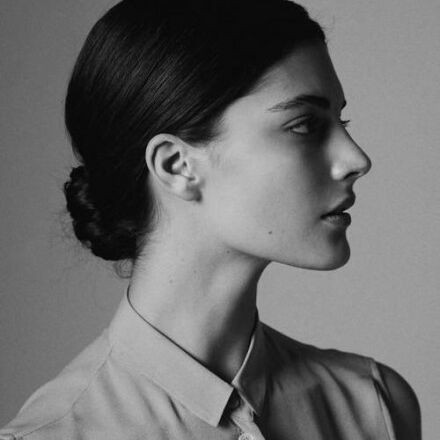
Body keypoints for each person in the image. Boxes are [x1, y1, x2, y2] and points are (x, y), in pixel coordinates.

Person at [0, 0, 421, 439]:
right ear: (177, 165)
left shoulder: (375, 407)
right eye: (305, 125)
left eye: (341, 120)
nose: (357, 159)